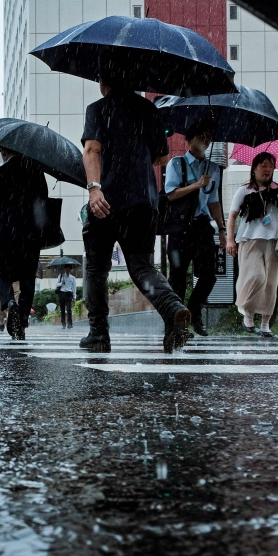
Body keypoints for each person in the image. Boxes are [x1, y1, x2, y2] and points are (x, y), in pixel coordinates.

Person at [80, 66, 192, 354]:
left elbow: (92, 150)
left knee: (96, 268)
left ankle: (99, 334)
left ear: (104, 80)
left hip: (106, 200)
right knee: (142, 267)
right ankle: (173, 308)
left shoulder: (98, 109)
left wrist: (95, 187)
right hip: (143, 201)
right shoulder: (148, 110)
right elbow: (163, 157)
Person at [163, 120, 227, 337]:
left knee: (210, 274)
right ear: (189, 140)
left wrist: (222, 228)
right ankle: (175, 324)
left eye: (208, 136)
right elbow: (171, 194)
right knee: (178, 277)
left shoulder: (214, 168)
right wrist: (196, 185)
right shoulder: (176, 163)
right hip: (180, 227)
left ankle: (193, 309)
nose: (206, 140)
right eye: (201, 136)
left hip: (202, 225)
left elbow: (214, 202)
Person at [0, 148, 49, 341]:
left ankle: (10, 302)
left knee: (3, 275)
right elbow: (43, 203)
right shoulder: (36, 171)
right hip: (30, 235)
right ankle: (21, 321)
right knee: (28, 279)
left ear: (5, 153)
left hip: (5, 235)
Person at [226, 152, 278, 338]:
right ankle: (247, 312)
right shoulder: (244, 190)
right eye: (263, 164)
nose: (267, 168)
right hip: (250, 240)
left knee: (271, 283)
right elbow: (232, 216)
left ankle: (265, 324)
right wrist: (231, 239)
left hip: (274, 242)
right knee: (255, 277)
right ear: (254, 169)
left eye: (270, 165)